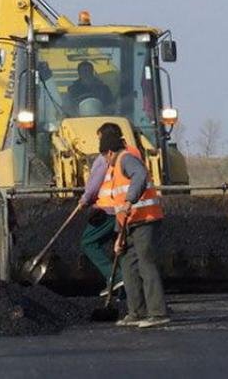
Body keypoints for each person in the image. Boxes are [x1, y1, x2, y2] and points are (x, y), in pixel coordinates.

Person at [110, 139, 170, 329]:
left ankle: (157, 313)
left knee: (146, 262)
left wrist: (130, 200)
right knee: (128, 264)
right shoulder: (115, 170)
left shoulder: (127, 159)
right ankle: (136, 311)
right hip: (129, 224)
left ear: (109, 152)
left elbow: (141, 175)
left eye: (104, 157)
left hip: (145, 220)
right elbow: (119, 206)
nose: (104, 161)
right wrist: (118, 236)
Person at [79, 123, 126, 298]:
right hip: (125, 209)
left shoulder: (104, 158)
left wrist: (85, 200)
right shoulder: (131, 154)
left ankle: (116, 278)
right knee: (120, 249)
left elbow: (94, 185)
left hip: (108, 210)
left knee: (88, 242)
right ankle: (123, 291)